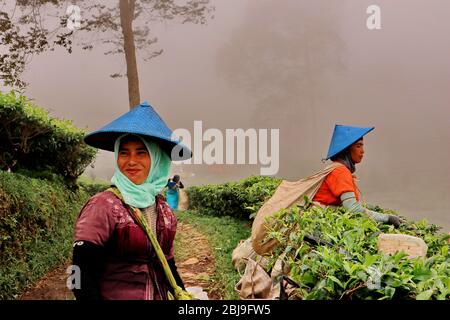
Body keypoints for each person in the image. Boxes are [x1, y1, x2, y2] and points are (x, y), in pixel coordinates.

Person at [72, 101, 191, 300]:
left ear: (158, 159)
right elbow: (80, 276)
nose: (131, 161)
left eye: (141, 153)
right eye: (124, 152)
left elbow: (167, 263)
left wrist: (183, 294)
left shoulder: (164, 211)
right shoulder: (103, 206)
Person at [312, 124, 401, 227]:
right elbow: (353, 210)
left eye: (362, 146)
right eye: (358, 146)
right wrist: (387, 218)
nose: (363, 151)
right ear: (346, 151)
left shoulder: (337, 168)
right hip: (320, 221)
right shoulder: (340, 171)